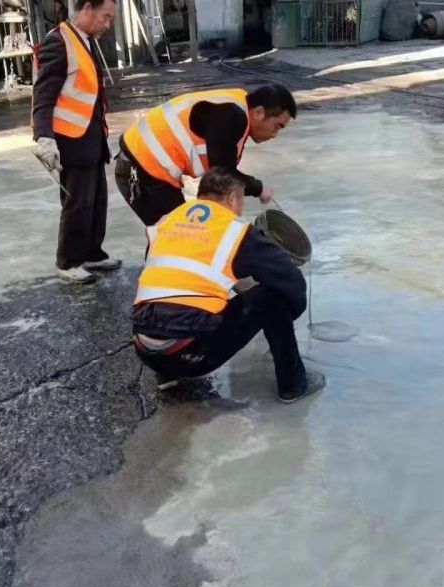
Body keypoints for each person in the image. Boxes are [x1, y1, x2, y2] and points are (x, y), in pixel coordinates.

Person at [131, 168, 325, 404]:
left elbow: (179, 276)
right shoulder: (237, 232)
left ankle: (166, 376)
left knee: (171, 293)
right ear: (233, 199)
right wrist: (286, 314)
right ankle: (293, 385)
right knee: (273, 298)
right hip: (191, 357)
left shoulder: (167, 221)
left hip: (144, 348)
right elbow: (290, 280)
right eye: (241, 201)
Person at [115, 84, 297, 227]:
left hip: (150, 170)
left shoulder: (237, 107)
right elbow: (222, 175)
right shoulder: (230, 115)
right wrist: (259, 188)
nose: (275, 134)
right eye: (277, 126)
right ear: (258, 112)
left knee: (180, 233)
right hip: (140, 168)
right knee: (175, 236)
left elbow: (217, 178)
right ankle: (162, 274)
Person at [31, 0, 122, 283]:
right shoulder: (58, 42)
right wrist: (44, 137)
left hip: (92, 137)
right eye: (105, 17)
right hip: (71, 139)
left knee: (96, 202)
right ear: (86, 9)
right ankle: (68, 261)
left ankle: (91, 252)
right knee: (78, 203)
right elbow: (43, 95)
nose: (108, 25)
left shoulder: (85, 39)